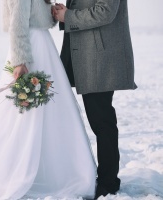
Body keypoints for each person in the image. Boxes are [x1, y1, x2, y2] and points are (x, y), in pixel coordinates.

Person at [0, 0, 96, 199]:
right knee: (24, 110)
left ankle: (54, 172)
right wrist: (20, 60)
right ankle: (15, 173)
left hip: (42, 44)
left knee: (48, 109)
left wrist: (52, 12)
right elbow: (17, 23)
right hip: (30, 48)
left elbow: (37, 17)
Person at [53, 0, 137, 199]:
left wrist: (68, 16)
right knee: (96, 120)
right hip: (83, 54)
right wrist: (59, 14)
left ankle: (108, 183)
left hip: (99, 58)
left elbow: (105, 12)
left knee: (102, 121)